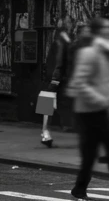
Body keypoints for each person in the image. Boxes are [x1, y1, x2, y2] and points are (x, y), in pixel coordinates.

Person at [67, 17, 109, 201]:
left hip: (106, 109)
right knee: (90, 154)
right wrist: (100, 98)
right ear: (98, 32)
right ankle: (81, 189)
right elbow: (79, 83)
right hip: (88, 112)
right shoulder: (87, 53)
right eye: (106, 27)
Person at [41, 19, 79, 147]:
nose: (72, 26)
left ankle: (46, 133)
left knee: (48, 104)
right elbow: (58, 62)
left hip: (57, 78)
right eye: (70, 24)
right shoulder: (62, 41)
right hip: (57, 78)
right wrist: (55, 80)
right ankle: (45, 132)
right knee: (48, 104)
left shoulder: (64, 39)